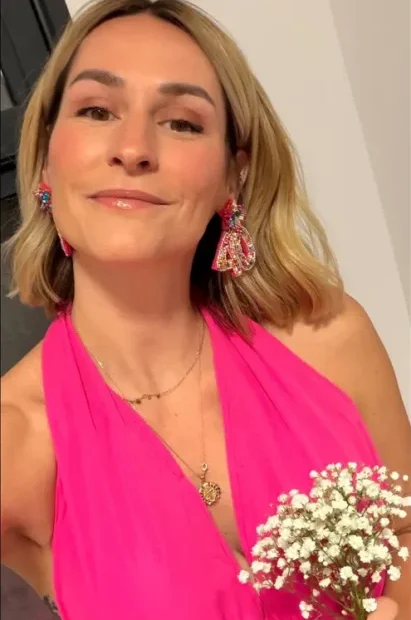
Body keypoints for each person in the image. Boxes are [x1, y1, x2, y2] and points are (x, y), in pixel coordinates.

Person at [1, 1, 410, 618]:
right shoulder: (15, 441)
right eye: (97, 110)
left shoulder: (330, 338)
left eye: (182, 123)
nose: (133, 148)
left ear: (232, 178)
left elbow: (404, 534)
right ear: (45, 163)